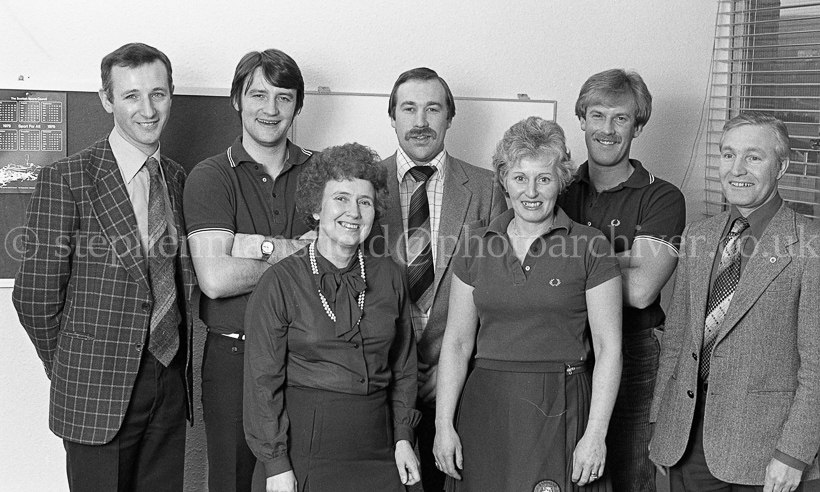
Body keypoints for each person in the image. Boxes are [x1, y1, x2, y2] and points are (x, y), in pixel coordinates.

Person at [12, 43, 196, 491]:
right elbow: (34, 296)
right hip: (95, 390)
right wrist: (71, 365)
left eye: (158, 94)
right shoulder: (68, 179)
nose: (148, 109)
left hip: (170, 382)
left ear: (172, 94)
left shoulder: (177, 178)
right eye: (131, 96)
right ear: (107, 100)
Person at [434, 117, 623, 492]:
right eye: (520, 177)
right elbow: (456, 343)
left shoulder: (591, 245)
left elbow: (609, 347)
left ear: (561, 181)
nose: (531, 191)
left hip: (561, 404)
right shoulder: (475, 243)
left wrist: (596, 434)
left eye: (544, 178)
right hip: (485, 409)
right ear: (503, 179)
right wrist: (443, 426)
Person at [649, 112, 820, 492]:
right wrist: (660, 423)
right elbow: (677, 339)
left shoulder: (810, 244)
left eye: (753, 157)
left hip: (768, 455)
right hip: (687, 443)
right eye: (728, 155)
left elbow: (817, 365)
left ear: (782, 166)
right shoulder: (698, 235)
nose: (736, 169)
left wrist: (794, 454)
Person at [244, 143, 422, 492]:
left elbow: (404, 368)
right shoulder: (279, 282)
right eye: (341, 198)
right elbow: (260, 383)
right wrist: (276, 464)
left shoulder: (389, 276)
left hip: (382, 448)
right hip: (304, 451)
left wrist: (403, 436)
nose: (353, 212)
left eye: (364, 201)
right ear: (316, 207)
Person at [183, 49, 315, 492]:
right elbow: (216, 280)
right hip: (233, 360)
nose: (270, 109)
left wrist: (248, 245)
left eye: (284, 97)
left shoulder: (324, 174)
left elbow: (340, 264)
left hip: (311, 356)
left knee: (309, 478)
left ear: (298, 105)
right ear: (237, 100)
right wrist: (297, 252)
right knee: (234, 482)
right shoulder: (210, 176)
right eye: (257, 94)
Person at [374, 67, 507, 491]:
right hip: (377, 382)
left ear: (450, 117)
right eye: (408, 108)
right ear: (391, 116)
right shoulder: (362, 187)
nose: (420, 121)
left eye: (433, 109)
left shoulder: (488, 190)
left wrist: (455, 367)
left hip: (458, 386)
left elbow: (501, 293)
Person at [557, 68, 686, 492]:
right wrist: (623, 256)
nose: (607, 130)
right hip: (561, 347)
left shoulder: (662, 196)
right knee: (560, 471)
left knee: (630, 473)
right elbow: (523, 272)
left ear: (639, 125)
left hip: (635, 350)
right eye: (597, 115)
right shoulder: (554, 189)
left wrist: (563, 265)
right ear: (581, 119)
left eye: (621, 118)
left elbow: (643, 289)